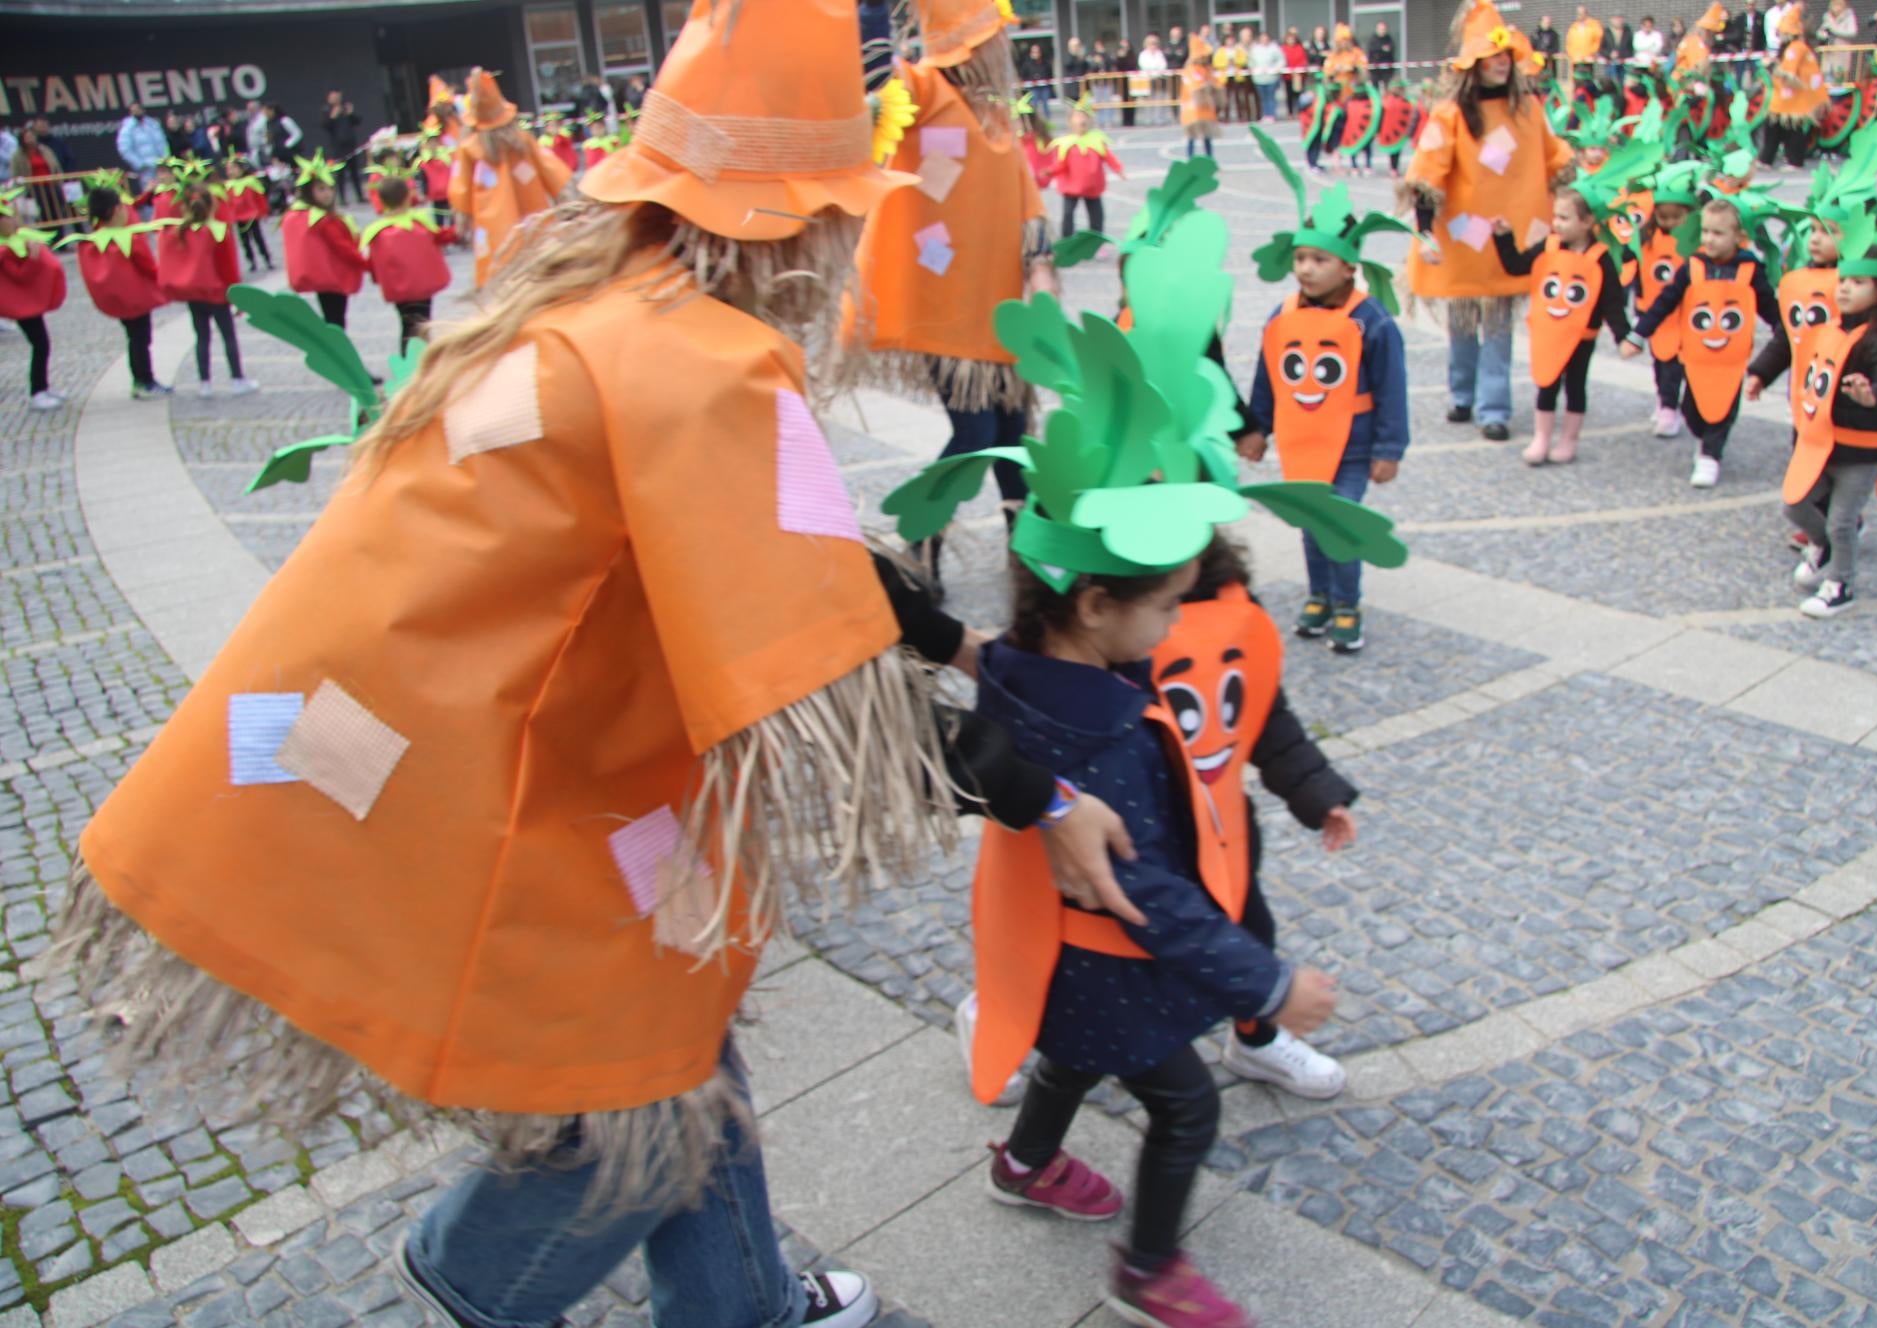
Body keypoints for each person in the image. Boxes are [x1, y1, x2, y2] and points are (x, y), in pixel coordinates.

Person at [44, 2, 1158, 1325]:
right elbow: (831, 690)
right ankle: (483, 1272)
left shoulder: (589, 293)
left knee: (680, 1052)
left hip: (440, 744)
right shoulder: (712, 367)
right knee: (640, 1071)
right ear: (801, 219)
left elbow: (784, 555)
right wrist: (1048, 797)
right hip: (523, 787)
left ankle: (743, 1305)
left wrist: (962, 638)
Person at [880, 221, 1402, 1327]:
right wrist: (1266, 987)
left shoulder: (1024, 658)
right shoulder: (1110, 728)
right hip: (1109, 959)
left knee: (1070, 1062)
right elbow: (1149, 887)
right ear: (1098, 606)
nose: (1176, 624)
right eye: (1163, 604)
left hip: (1060, 967)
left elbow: (965, 651)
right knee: (1184, 1108)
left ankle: (1024, 1164)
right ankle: (1148, 1268)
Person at [846, 0, 1050, 591]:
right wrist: (871, 14)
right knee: (976, 436)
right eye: (990, 37)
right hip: (946, 310)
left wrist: (1039, 267)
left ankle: (1029, 550)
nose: (1000, 48)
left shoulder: (994, 116)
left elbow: (1026, 196)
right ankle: (921, 544)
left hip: (1000, 310)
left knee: (1013, 434)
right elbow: (876, 82)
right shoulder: (924, 89)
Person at [1248, 147, 1411, 650]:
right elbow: (1269, 375)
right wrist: (1258, 428)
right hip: (1302, 441)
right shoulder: (1283, 315)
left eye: (1319, 259)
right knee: (1310, 522)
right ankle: (1318, 593)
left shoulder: (1371, 321)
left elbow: (1392, 387)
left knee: (1339, 521)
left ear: (1347, 267)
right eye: (1300, 258)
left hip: (1354, 446)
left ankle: (1347, 602)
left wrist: (1389, 449)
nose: (1305, 269)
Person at [1404, 0, 1572, 443]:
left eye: (1505, 56)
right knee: (1464, 320)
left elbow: (1554, 158)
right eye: (1490, 56)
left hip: (1513, 235)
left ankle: (1492, 407)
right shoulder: (1452, 114)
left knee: (1498, 322)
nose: (1500, 63)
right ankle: (1463, 393)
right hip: (1464, 233)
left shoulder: (1528, 111)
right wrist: (1424, 230)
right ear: (1472, 64)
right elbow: (1428, 172)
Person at [1779, 244, 1877, 616]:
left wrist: (1874, 396)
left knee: (1842, 520)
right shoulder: (1832, 328)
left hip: (1863, 450)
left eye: (1858, 282)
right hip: (1824, 444)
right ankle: (1823, 547)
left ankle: (1841, 583)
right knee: (1796, 503)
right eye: (1843, 280)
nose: (1844, 288)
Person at [1622, 196, 1786, 487]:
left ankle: (1711, 454)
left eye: (1718, 233)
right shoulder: (1693, 265)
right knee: (1692, 410)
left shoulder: (1749, 269)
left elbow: (1767, 306)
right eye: (1706, 231)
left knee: (1723, 407)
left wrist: (1784, 330)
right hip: (1696, 355)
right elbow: (1665, 301)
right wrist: (1639, 334)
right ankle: (1702, 437)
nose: (1710, 239)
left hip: (1731, 357)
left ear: (1739, 237)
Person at [1495, 180, 1637, 465]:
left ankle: (1569, 439)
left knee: (1575, 385)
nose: (1556, 224)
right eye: (1555, 216)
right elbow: (1516, 266)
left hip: (1581, 336)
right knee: (1546, 383)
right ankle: (1542, 437)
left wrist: (1623, 336)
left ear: (1587, 222)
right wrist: (1503, 238)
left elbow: (1612, 302)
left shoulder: (1600, 258)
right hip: (1549, 332)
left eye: (1564, 218)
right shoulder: (1548, 246)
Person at [448, 68, 570, 288]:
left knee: (500, 276)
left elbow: (461, 187)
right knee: (538, 272)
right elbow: (550, 169)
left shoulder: (469, 147)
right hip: (533, 215)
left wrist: (462, 218)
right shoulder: (522, 140)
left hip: (491, 224)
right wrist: (565, 199)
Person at [58, 186, 170, 398]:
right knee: (141, 339)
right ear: (116, 210)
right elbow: (147, 264)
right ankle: (144, 380)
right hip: (136, 298)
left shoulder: (94, 240)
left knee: (133, 337)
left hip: (119, 301)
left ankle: (139, 379)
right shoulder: (128, 238)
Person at [156, 181, 257, 398]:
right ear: (213, 206)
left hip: (195, 295)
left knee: (202, 337)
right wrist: (236, 297)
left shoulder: (180, 231)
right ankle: (237, 378)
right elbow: (228, 267)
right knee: (228, 335)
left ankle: (205, 382)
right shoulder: (218, 231)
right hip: (217, 293)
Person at [361, 176, 451, 354]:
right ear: (407, 197)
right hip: (422, 286)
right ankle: (421, 360)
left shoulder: (376, 231)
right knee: (423, 323)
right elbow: (442, 236)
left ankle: (411, 361)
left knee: (407, 324)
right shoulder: (418, 223)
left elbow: (371, 263)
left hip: (399, 291)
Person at [0, 185, 67, 410]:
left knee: (42, 344)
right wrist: (33, 258)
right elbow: (20, 276)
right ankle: (38, 391)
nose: (14, 222)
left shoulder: (11, 244)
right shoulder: (5, 250)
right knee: (40, 344)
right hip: (21, 306)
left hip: (26, 303)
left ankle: (44, 387)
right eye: (9, 218)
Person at [281, 153, 365, 329]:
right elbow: (344, 248)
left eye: (329, 188)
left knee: (332, 318)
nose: (327, 194)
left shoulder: (300, 215)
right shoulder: (323, 221)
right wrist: (368, 264)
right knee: (336, 321)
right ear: (309, 191)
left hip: (324, 278)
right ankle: (338, 355)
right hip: (333, 278)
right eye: (321, 189)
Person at [1041, 106, 1124, 238]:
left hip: (1092, 187)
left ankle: (1095, 242)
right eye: (1078, 116)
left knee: (1097, 217)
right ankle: (1066, 242)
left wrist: (1119, 169)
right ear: (1070, 122)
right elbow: (1060, 164)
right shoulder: (1066, 143)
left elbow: (1108, 156)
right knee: (1068, 215)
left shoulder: (1096, 140)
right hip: (1072, 187)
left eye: (1084, 116)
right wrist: (1049, 171)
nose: (1082, 119)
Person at [1762, 7, 1826, 169]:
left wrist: (1771, 67)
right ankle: (1767, 159)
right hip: (1787, 97)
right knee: (1776, 126)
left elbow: (1788, 74)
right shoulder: (1793, 47)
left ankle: (1794, 160)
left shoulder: (1796, 48)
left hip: (1795, 98)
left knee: (1791, 128)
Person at [219, 155, 273, 272]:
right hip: (239, 218)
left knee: (258, 239)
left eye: (233, 168)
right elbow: (227, 204)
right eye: (228, 169)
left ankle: (267, 258)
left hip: (252, 216)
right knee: (245, 242)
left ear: (241, 169)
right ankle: (251, 261)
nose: (230, 171)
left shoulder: (250, 182)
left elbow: (259, 198)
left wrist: (264, 211)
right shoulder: (229, 186)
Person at [321, 91, 365, 203]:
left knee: (354, 172)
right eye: (333, 97)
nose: (336, 99)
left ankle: (360, 196)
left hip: (351, 145)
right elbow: (325, 126)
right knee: (340, 174)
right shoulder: (327, 110)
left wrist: (350, 113)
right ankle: (342, 198)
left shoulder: (345, 108)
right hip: (338, 148)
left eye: (337, 97)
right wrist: (333, 116)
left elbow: (357, 121)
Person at [1180, 43, 1221, 158]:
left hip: (1206, 108)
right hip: (1192, 109)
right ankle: (1190, 158)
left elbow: (1215, 82)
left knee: (1207, 135)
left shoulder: (1208, 70)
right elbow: (1194, 85)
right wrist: (1206, 85)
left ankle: (1209, 158)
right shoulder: (1190, 70)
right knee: (1191, 135)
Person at [116, 106, 168, 177]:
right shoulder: (127, 128)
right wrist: (140, 164)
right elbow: (125, 150)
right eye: (134, 111)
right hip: (145, 169)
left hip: (161, 165)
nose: (136, 112)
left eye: (138, 110)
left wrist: (165, 158)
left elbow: (162, 143)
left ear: (143, 110)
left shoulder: (152, 124)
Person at [1249, 28, 1287, 121]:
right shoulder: (1255, 49)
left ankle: (1271, 114)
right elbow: (1251, 61)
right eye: (1262, 38)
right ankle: (1265, 114)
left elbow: (1281, 60)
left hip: (1271, 77)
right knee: (1263, 98)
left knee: (1270, 97)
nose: (1264, 40)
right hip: (1259, 78)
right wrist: (1253, 68)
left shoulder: (1274, 48)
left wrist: (1277, 68)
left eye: (1266, 38)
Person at [1818, 0, 1858, 79]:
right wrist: (1823, 36)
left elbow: (1853, 32)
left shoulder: (1849, 16)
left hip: (1841, 53)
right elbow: (1820, 31)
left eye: (1839, 4)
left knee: (1839, 80)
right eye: (1835, 4)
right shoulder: (1827, 16)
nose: (1837, 6)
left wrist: (1834, 31)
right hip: (1828, 53)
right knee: (1827, 79)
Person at [1138, 35, 1172, 125]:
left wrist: (1157, 72)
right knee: (1148, 101)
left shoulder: (1160, 54)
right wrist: (1153, 70)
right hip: (1147, 79)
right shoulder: (1143, 54)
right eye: (1151, 44)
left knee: (1159, 99)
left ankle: (1159, 118)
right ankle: (1148, 118)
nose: (1153, 46)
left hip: (1159, 79)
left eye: (1155, 44)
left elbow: (1163, 65)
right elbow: (1144, 65)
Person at [1568, 5, 1605, 79]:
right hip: (1576, 59)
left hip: (1588, 59)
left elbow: (1598, 40)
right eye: (1578, 13)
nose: (1580, 15)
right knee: (1577, 80)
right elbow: (1569, 43)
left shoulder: (1594, 25)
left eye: (1582, 13)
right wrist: (1572, 54)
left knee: (1588, 81)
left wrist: (1592, 52)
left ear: (1586, 14)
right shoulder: (1574, 27)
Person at [1281, 28, 1310, 116]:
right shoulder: (1283, 48)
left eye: (1293, 39)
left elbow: (1303, 60)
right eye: (1289, 39)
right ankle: (1290, 112)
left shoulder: (1300, 48)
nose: (1291, 41)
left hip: (1298, 75)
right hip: (1288, 76)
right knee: (1289, 94)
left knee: (1299, 94)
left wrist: (1298, 69)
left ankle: (1300, 111)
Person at [1604, 14, 1635, 83]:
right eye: (1616, 18)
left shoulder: (1628, 31)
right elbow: (1602, 49)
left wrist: (1621, 55)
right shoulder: (1606, 32)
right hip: (1610, 64)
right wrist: (1609, 54)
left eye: (1620, 18)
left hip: (1624, 65)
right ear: (1611, 20)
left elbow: (1631, 49)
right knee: (1611, 83)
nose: (1618, 21)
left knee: (1623, 83)